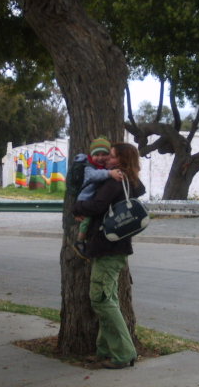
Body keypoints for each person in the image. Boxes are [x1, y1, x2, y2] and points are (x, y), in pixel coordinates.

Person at [73, 142, 145, 369]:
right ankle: (105, 350)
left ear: (122, 161)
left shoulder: (116, 181)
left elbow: (96, 206)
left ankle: (124, 353)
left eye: (113, 157)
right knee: (108, 299)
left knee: (101, 299)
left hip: (108, 248)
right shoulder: (131, 180)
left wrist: (76, 206)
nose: (108, 160)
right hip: (116, 247)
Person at [72, 137, 123, 260]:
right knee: (86, 221)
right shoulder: (89, 167)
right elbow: (94, 176)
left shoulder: (103, 167)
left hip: (92, 199)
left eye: (104, 154)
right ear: (91, 155)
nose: (100, 158)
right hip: (86, 198)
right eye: (97, 155)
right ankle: (79, 241)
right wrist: (110, 173)